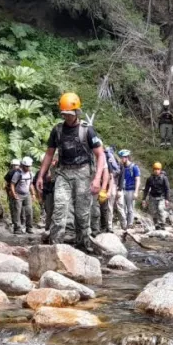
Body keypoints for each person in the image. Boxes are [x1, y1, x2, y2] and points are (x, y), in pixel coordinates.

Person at [35, 92, 105, 251]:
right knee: (59, 210)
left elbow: (100, 155)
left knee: (82, 215)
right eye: (64, 114)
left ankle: (83, 246)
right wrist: (41, 175)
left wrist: (97, 179)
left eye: (69, 114)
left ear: (77, 113)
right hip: (63, 173)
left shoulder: (87, 131)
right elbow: (49, 153)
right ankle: (55, 247)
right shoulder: (57, 130)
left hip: (83, 174)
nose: (66, 117)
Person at [9, 156, 35, 234]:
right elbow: (12, 184)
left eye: (29, 166)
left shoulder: (30, 174)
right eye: (27, 166)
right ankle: (17, 228)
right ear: (23, 166)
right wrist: (14, 194)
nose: (28, 168)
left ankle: (29, 228)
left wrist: (33, 194)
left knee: (29, 211)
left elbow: (30, 184)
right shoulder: (18, 173)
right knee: (17, 211)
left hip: (27, 194)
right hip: (18, 194)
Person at [142, 162, 170, 229]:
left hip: (161, 197)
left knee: (160, 209)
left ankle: (162, 223)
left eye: (158, 169)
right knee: (153, 211)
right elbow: (146, 189)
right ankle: (156, 224)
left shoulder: (164, 178)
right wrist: (144, 199)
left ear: (160, 170)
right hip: (152, 196)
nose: (156, 171)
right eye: (155, 169)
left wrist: (167, 199)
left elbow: (167, 189)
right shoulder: (150, 179)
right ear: (153, 170)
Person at [118, 149, 140, 229]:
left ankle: (130, 225)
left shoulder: (134, 167)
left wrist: (136, 192)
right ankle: (124, 225)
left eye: (122, 157)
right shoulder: (121, 167)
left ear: (127, 157)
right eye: (121, 157)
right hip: (122, 189)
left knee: (130, 208)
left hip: (131, 189)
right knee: (122, 207)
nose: (121, 159)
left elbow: (137, 180)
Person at [4, 158, 20, 228]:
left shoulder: (10, 172)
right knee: (19, 207)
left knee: (13, 206)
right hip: (19, 191)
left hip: (11, 191)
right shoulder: (21, 172)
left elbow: (6, 182)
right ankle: (19, 222)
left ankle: (15, 221)